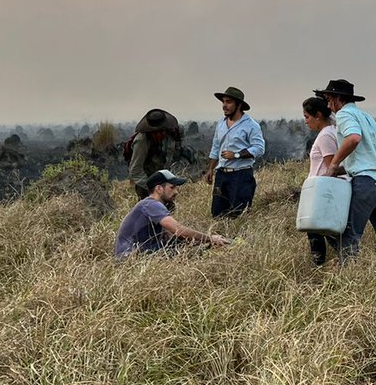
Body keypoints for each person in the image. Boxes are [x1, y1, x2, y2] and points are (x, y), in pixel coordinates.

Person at [315, 79, 376, 260]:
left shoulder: (344, 114)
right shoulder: (365, 116)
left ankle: (347, 273)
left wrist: (333, 164)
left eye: (329, 99)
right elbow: (366, 156)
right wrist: (341, 170)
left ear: (338, 99)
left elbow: (354, 138)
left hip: (367, 182)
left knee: (348, 233)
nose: (328, 105)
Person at [114, 169, 230, 257]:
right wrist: (210, 238)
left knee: (185, 246)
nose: (176, 192)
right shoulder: (152, 205)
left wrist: (200, 242)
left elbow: (172, 236)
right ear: (159, 189)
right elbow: (178, 230)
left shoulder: (149, 204)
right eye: (172, 187)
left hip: (138, 253)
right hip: (131, 257)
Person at [204, 86, 266, 217]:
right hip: (221, 175)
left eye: (228, 102)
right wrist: (210, 169)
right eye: (223, 102)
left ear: (239, 105)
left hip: (241, 175)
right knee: (217, 214)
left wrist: (236, 155)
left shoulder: (251, 125)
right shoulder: (221, 124)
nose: (224, 105)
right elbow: (216, 147)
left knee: (239, 214)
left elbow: (259, 148)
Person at [301, 94, 346, 266]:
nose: (306, 121)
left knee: (317, 231)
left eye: (307, 117)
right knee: (326, 231)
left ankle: (319, 265)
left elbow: (331, 166)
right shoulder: (332, 131)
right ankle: (345, 261)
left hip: (321, 191)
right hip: (324, 190)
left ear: (318, 115)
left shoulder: (325, 135)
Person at [128, 108, 184, 199]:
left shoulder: (170, 134)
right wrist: (152, 187)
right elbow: (135, 170)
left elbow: (171, 157)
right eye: (159, 132)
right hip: (146, 183)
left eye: (163, 131)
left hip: (163, 182)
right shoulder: (142, 141)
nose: (162, 134)